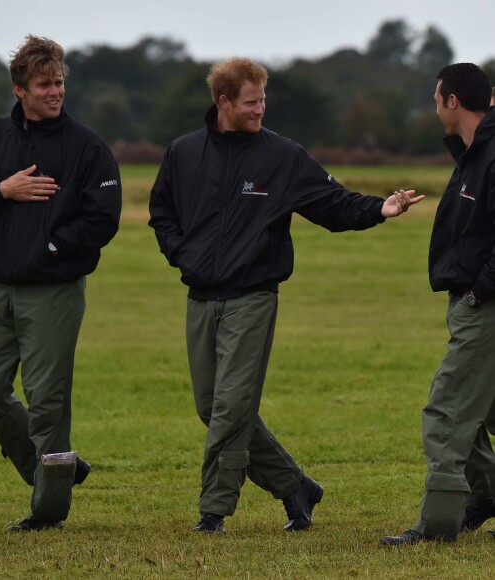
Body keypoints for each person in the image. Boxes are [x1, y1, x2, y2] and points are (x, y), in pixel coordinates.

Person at [148, 57, 423, 535]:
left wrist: (381, 207)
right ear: (224, 102)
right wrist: (182, 255)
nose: (261, 110)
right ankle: (296, 485)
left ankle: (213, 511)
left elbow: (333, 204)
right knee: (211, 406)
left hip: (254, 295)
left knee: (232, 405)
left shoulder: (283, 156)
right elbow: (162, 211)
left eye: (263, 100)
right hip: (199, 296)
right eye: (252, 102)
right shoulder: (183, 152)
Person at [0, 35, 122, 532]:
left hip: (55, 290)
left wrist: (50, 248)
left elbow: (103, 219)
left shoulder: (86, 145)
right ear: (20, 88)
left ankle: (48, 510)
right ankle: (60, 470)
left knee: (47, 403)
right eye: (44, 84)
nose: (55, 92)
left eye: (59, 82)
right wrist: (3, 189)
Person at [381, 63, 495, 546]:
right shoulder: (474, 154)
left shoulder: (490, 156)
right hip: (475, 302)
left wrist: (477, 292)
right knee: (483, 411)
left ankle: (438, 525)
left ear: (452, 102)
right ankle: (485, 495)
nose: (433, 107)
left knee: (446, 411)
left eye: (436, 99)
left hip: (485, 305)